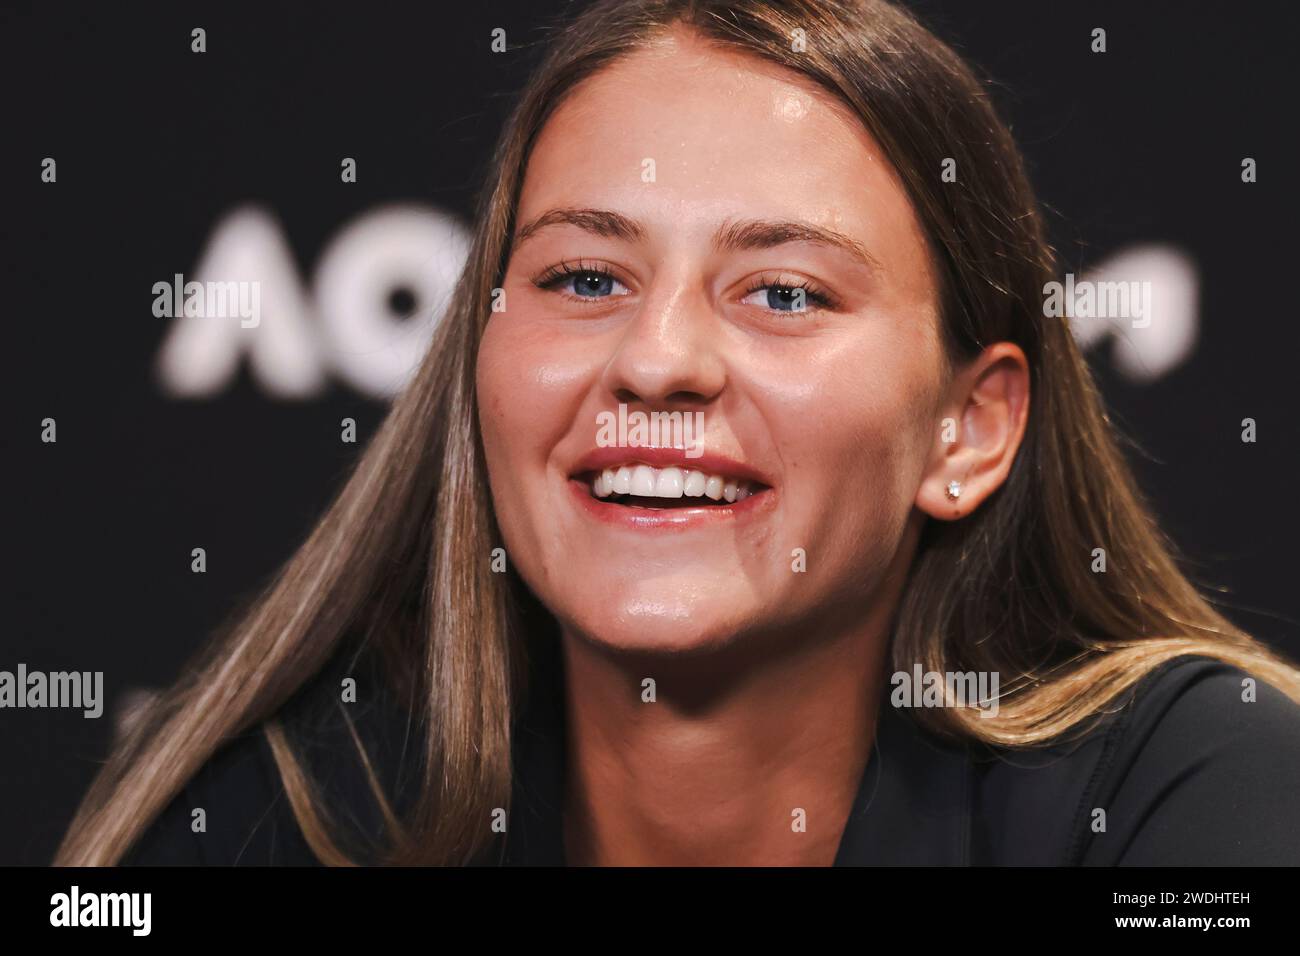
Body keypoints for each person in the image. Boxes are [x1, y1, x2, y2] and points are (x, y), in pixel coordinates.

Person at [57, 0, 1300, 867]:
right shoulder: (284, 818)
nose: (655, 360)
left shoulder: (1201, 798)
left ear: (967, 431)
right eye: (586, 277)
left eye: (785, 293)